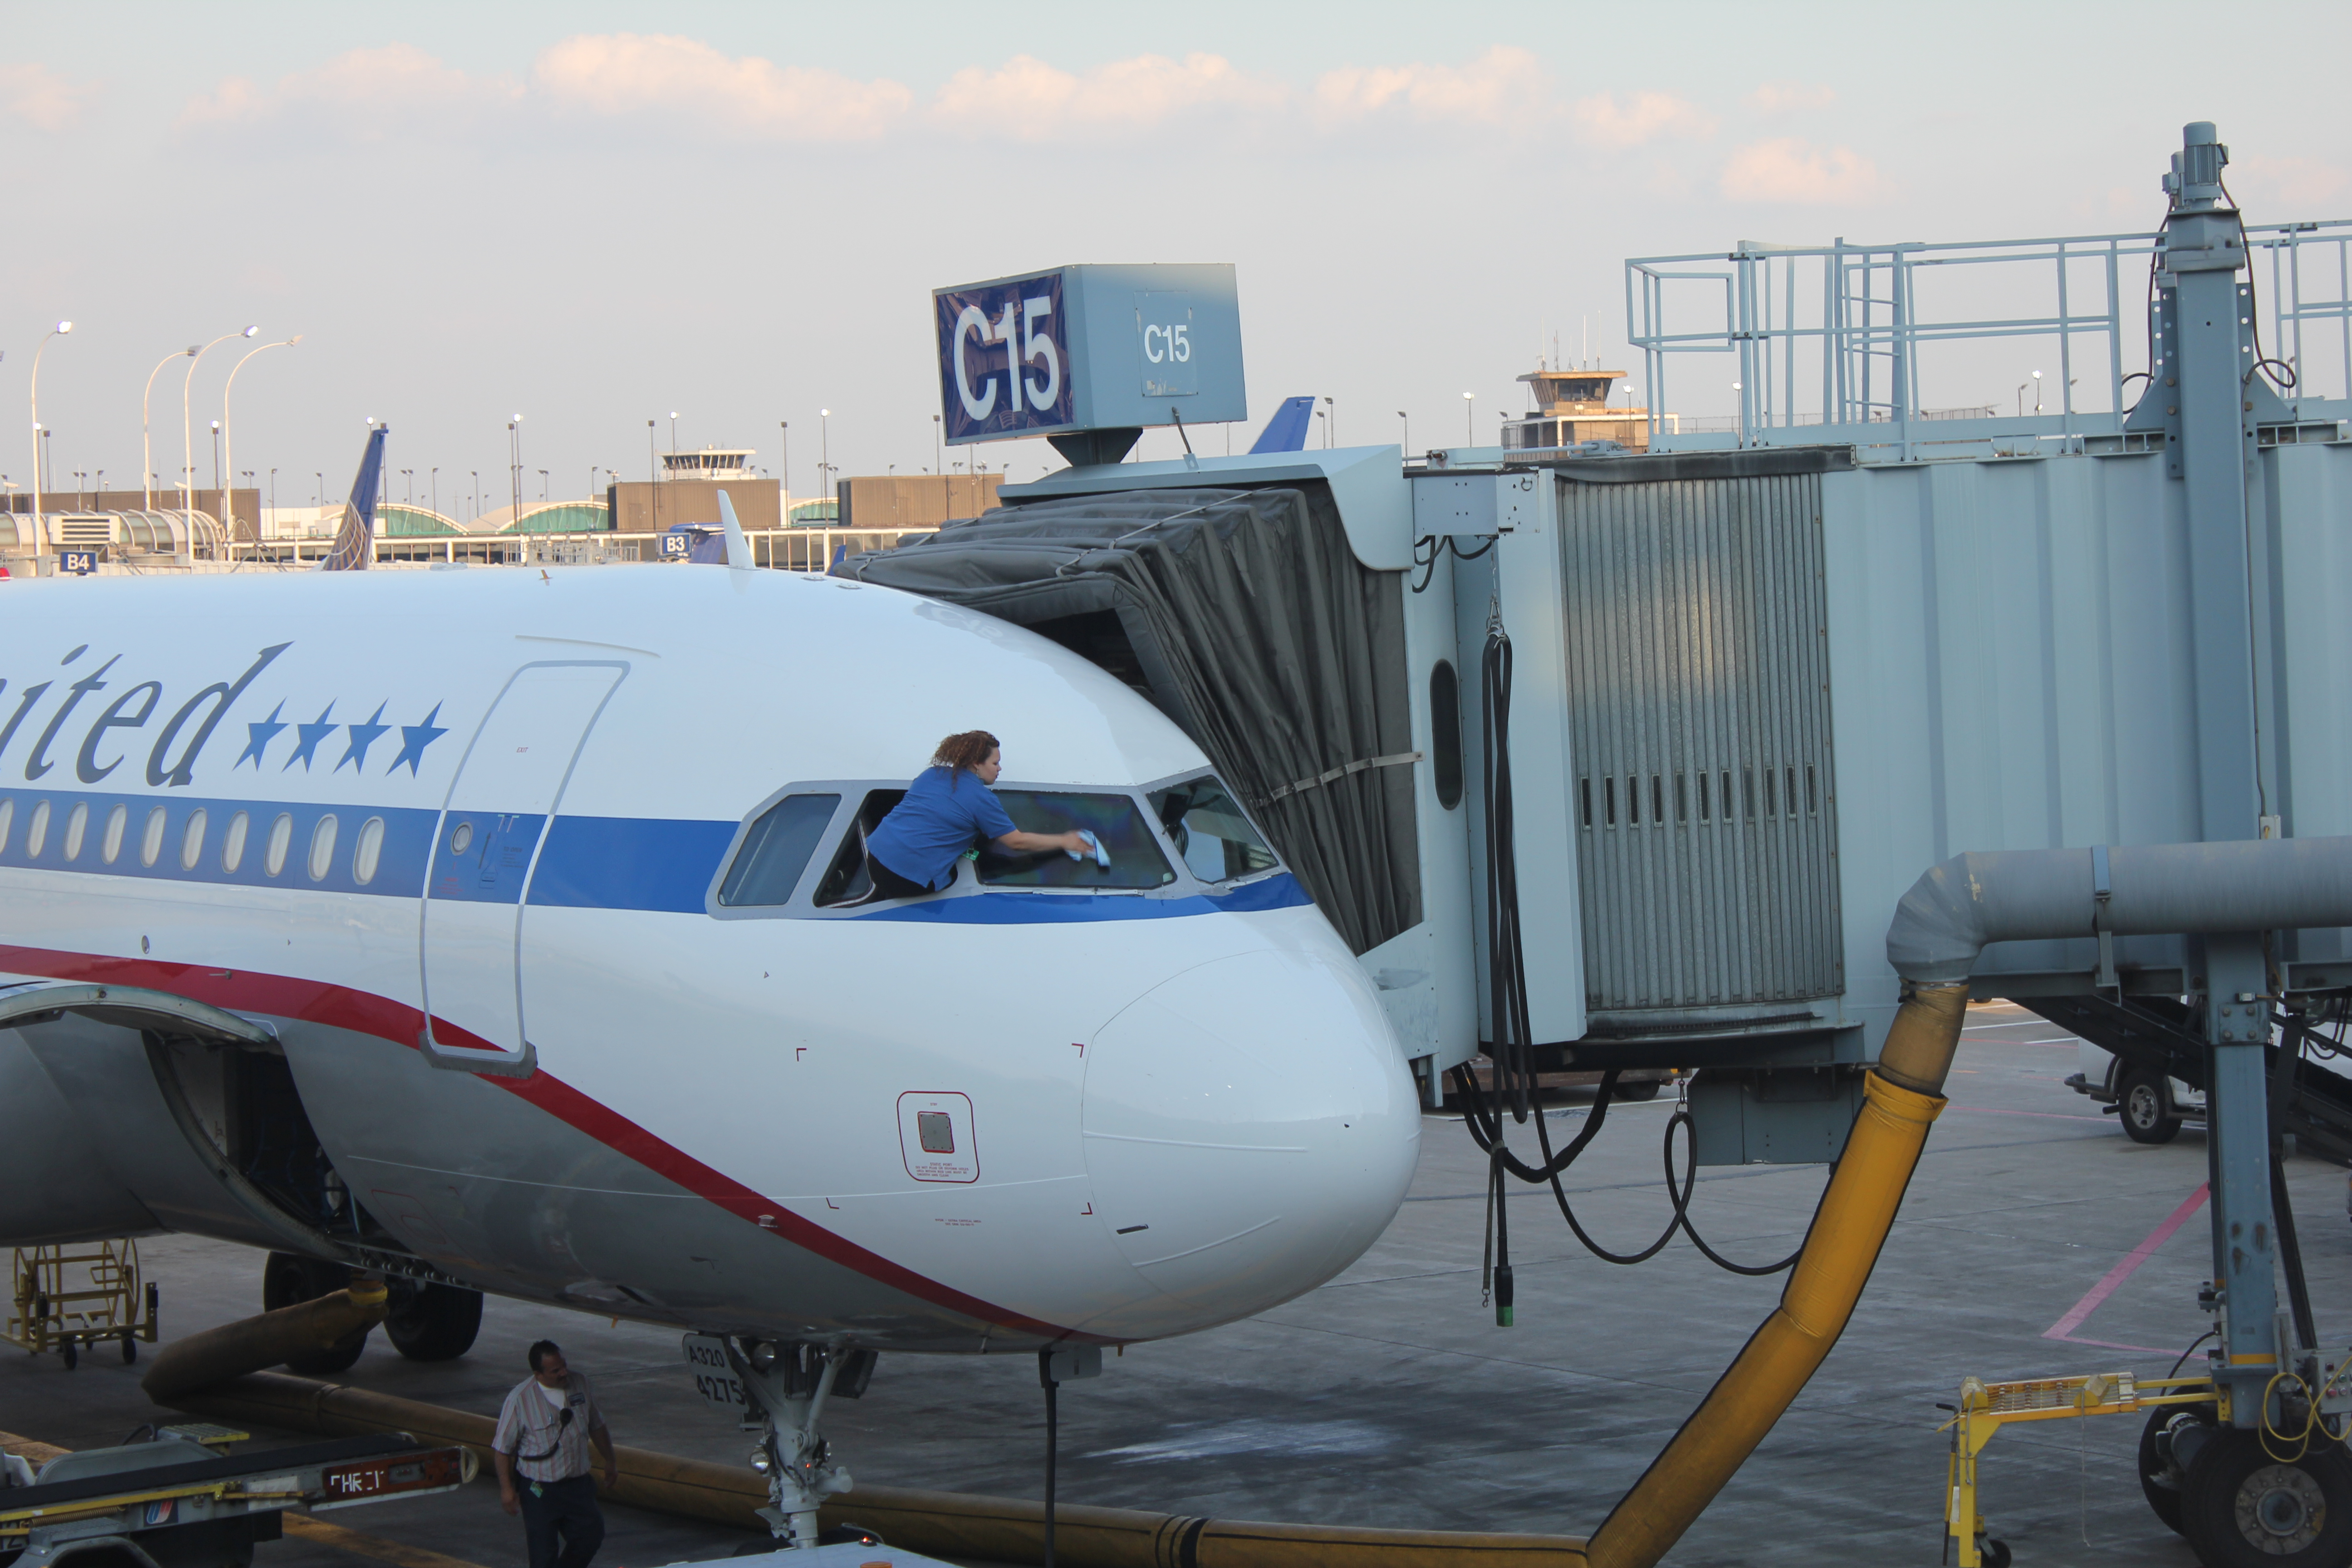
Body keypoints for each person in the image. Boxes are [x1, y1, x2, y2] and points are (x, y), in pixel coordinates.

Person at [863, 730, 1089, 899]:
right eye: (995, 763)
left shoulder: (932, 774)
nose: (999, 768)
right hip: (907, 881)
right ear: (976, 764)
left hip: (874, 858)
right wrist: (1065, 840)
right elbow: (1017, 843)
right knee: (981, 862)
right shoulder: (982, 799)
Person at [494, 1340, 618, 1568]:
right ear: (538, 1374)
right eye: (556, 1371)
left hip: (577, 1485)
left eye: (564, 1366)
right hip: (540, 1489)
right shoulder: (520, 1400)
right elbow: (503, 1449)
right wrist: (507, 1489)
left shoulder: (580, 1383)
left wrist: (610, 1460)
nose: (564, 1373)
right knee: (543, 1555)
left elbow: (597, 1425)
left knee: (590, 1537)